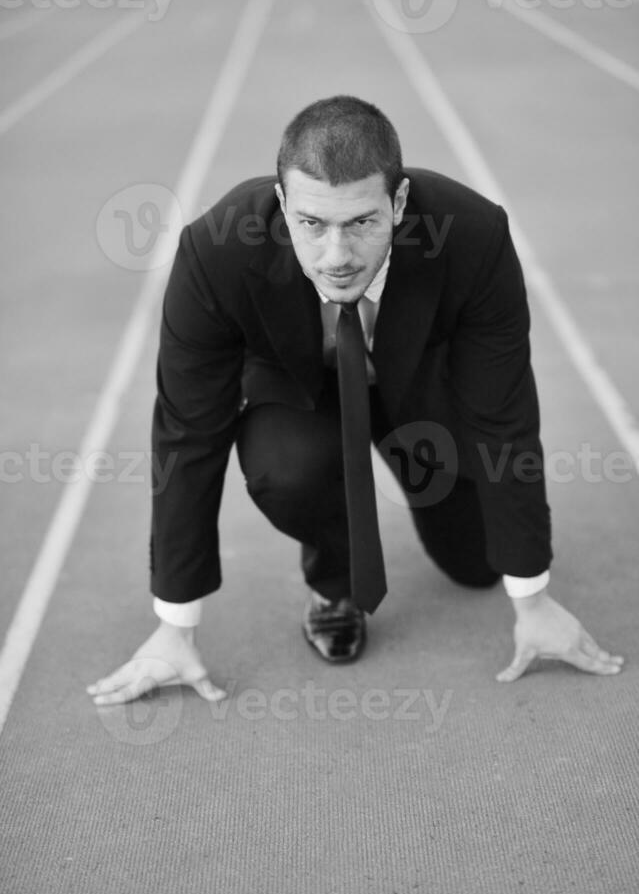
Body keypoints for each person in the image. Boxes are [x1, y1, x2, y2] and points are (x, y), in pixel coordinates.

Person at [87, 96, 623, 706]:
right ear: (283, 204)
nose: (336, 256)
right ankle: (334, 585)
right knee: (289, 470)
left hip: (419, 384)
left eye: (362, 223)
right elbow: (187, 432)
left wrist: (532, 596)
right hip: (298, 394)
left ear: (397, 203)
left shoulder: (472, 235)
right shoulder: (216, 253)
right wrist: (174, 626)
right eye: (312, 224)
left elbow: (503, 413)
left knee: (477, 566)